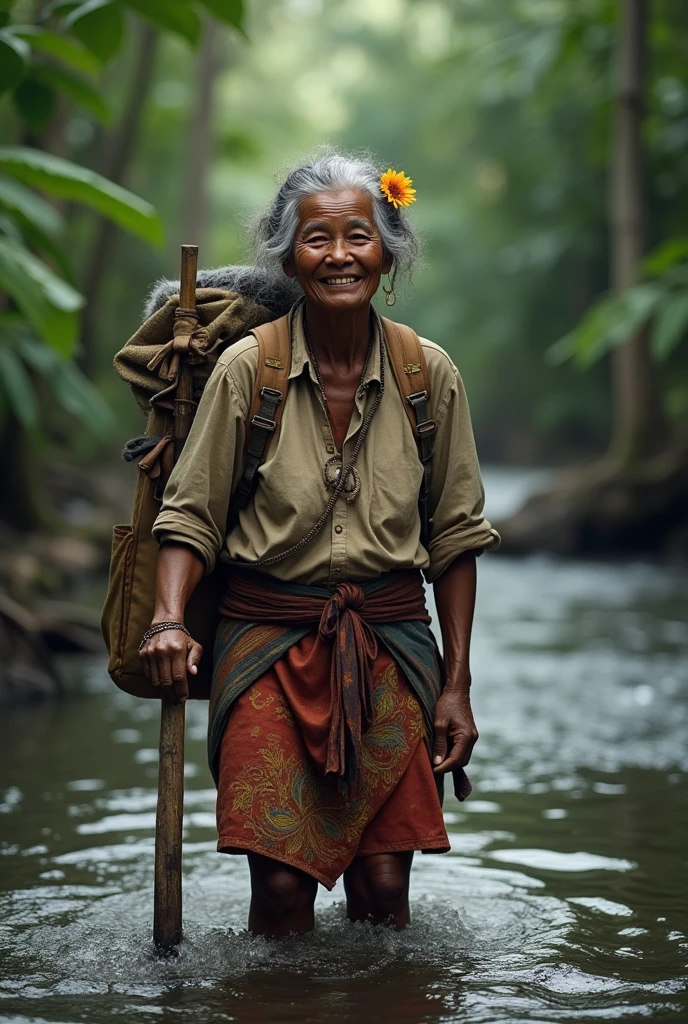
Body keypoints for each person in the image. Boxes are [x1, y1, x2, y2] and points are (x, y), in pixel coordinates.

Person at [139, 152, 499, 937]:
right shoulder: (248, 368)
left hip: (394, 648)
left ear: (389, 251)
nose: (340, 255)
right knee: (278, 888)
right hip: (266, 641)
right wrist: (169, 619)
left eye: (358, 237)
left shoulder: (427, 373)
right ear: (288, 256)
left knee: (382, 889)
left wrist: (457, 686)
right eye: (318, 239)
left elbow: (457, 538)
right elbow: (189, 516)